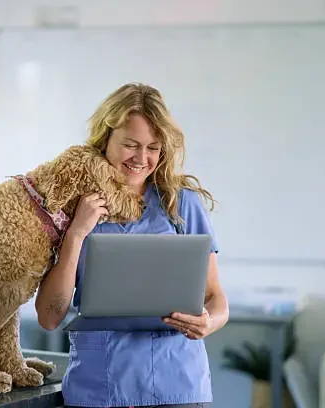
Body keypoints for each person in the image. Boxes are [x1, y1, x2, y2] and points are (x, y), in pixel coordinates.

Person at [34, 82, 229, 408]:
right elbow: (50, 317)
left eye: (154, 147)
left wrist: (209, 322)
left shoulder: (181, 204)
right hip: (96, 387)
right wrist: (77, 233)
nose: (142, 158)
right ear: (105, 139)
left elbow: (216, 298)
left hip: (176, 384)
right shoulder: (69, 205)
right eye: (131, 144)